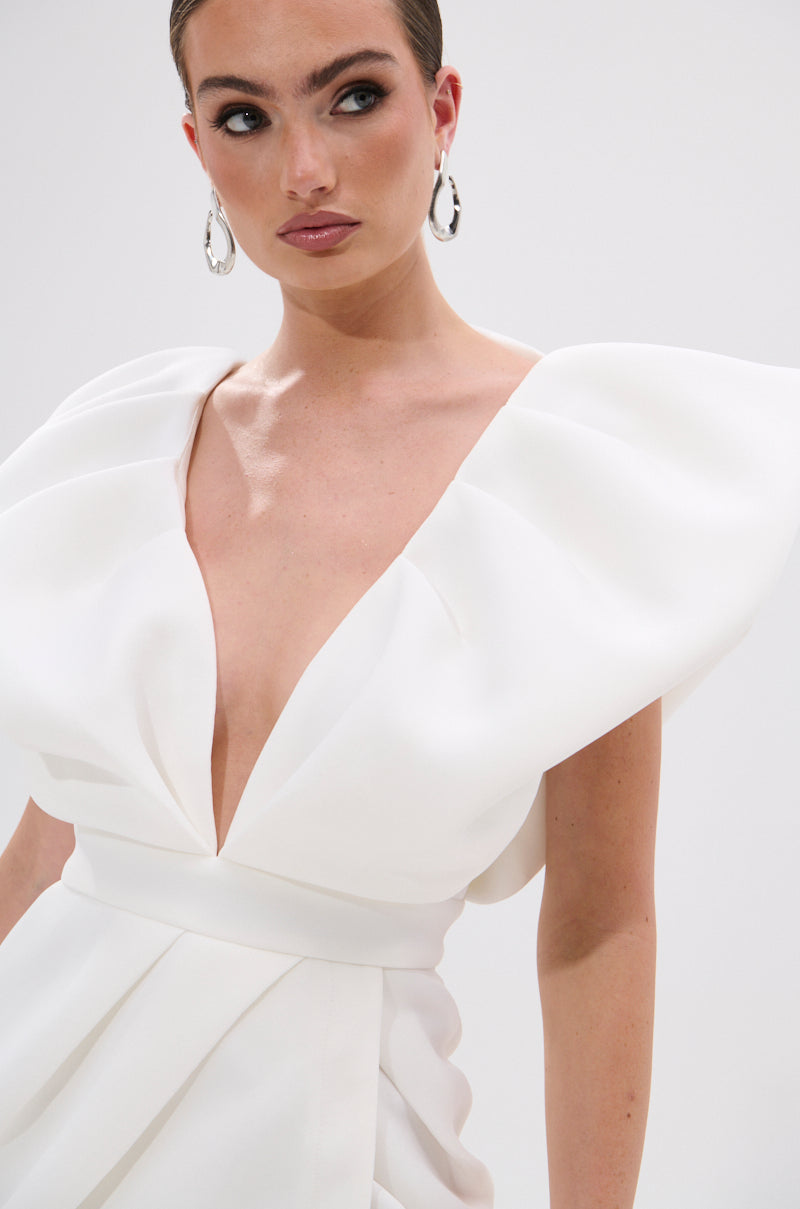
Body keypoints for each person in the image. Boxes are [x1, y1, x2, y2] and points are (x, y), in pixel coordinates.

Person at [0, 1, 798, 1206]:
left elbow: (597, 923)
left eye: (353, 97)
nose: (304, 170)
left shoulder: (573, 478)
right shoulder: (114, 454)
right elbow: (48, 841)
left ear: (440, 110)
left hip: (339, 1141)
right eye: (244, 118)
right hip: (36, 1104)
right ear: (196, 147)